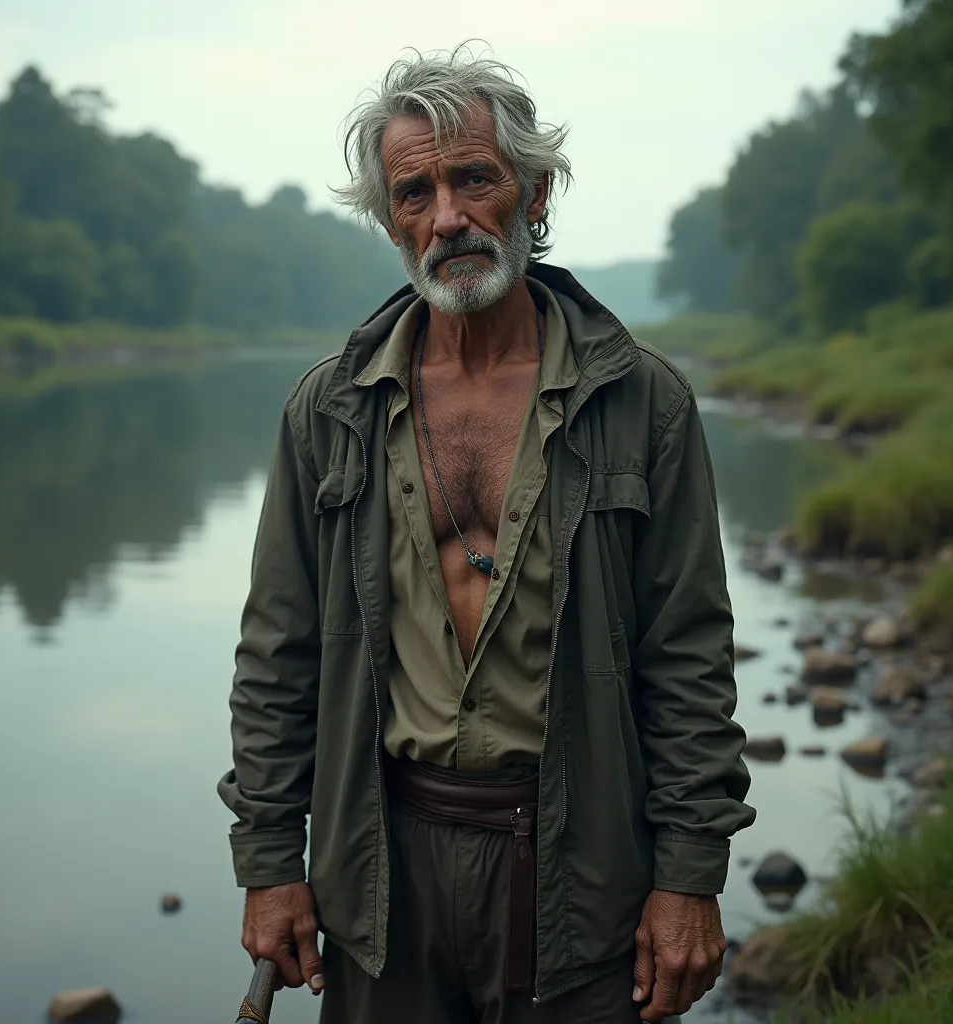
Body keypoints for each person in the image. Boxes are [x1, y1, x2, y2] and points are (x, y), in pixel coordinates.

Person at [219, 45, 755, 1024]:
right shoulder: (327, 410)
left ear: (535, 192)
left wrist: (689, 873)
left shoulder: (641, 402)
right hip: (381, 866)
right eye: (414, 192)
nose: (448, 216)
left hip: (581, 864)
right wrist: (268, 862)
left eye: (475, 178)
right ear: (391, 222)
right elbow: (276, 660)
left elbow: (686, 660)